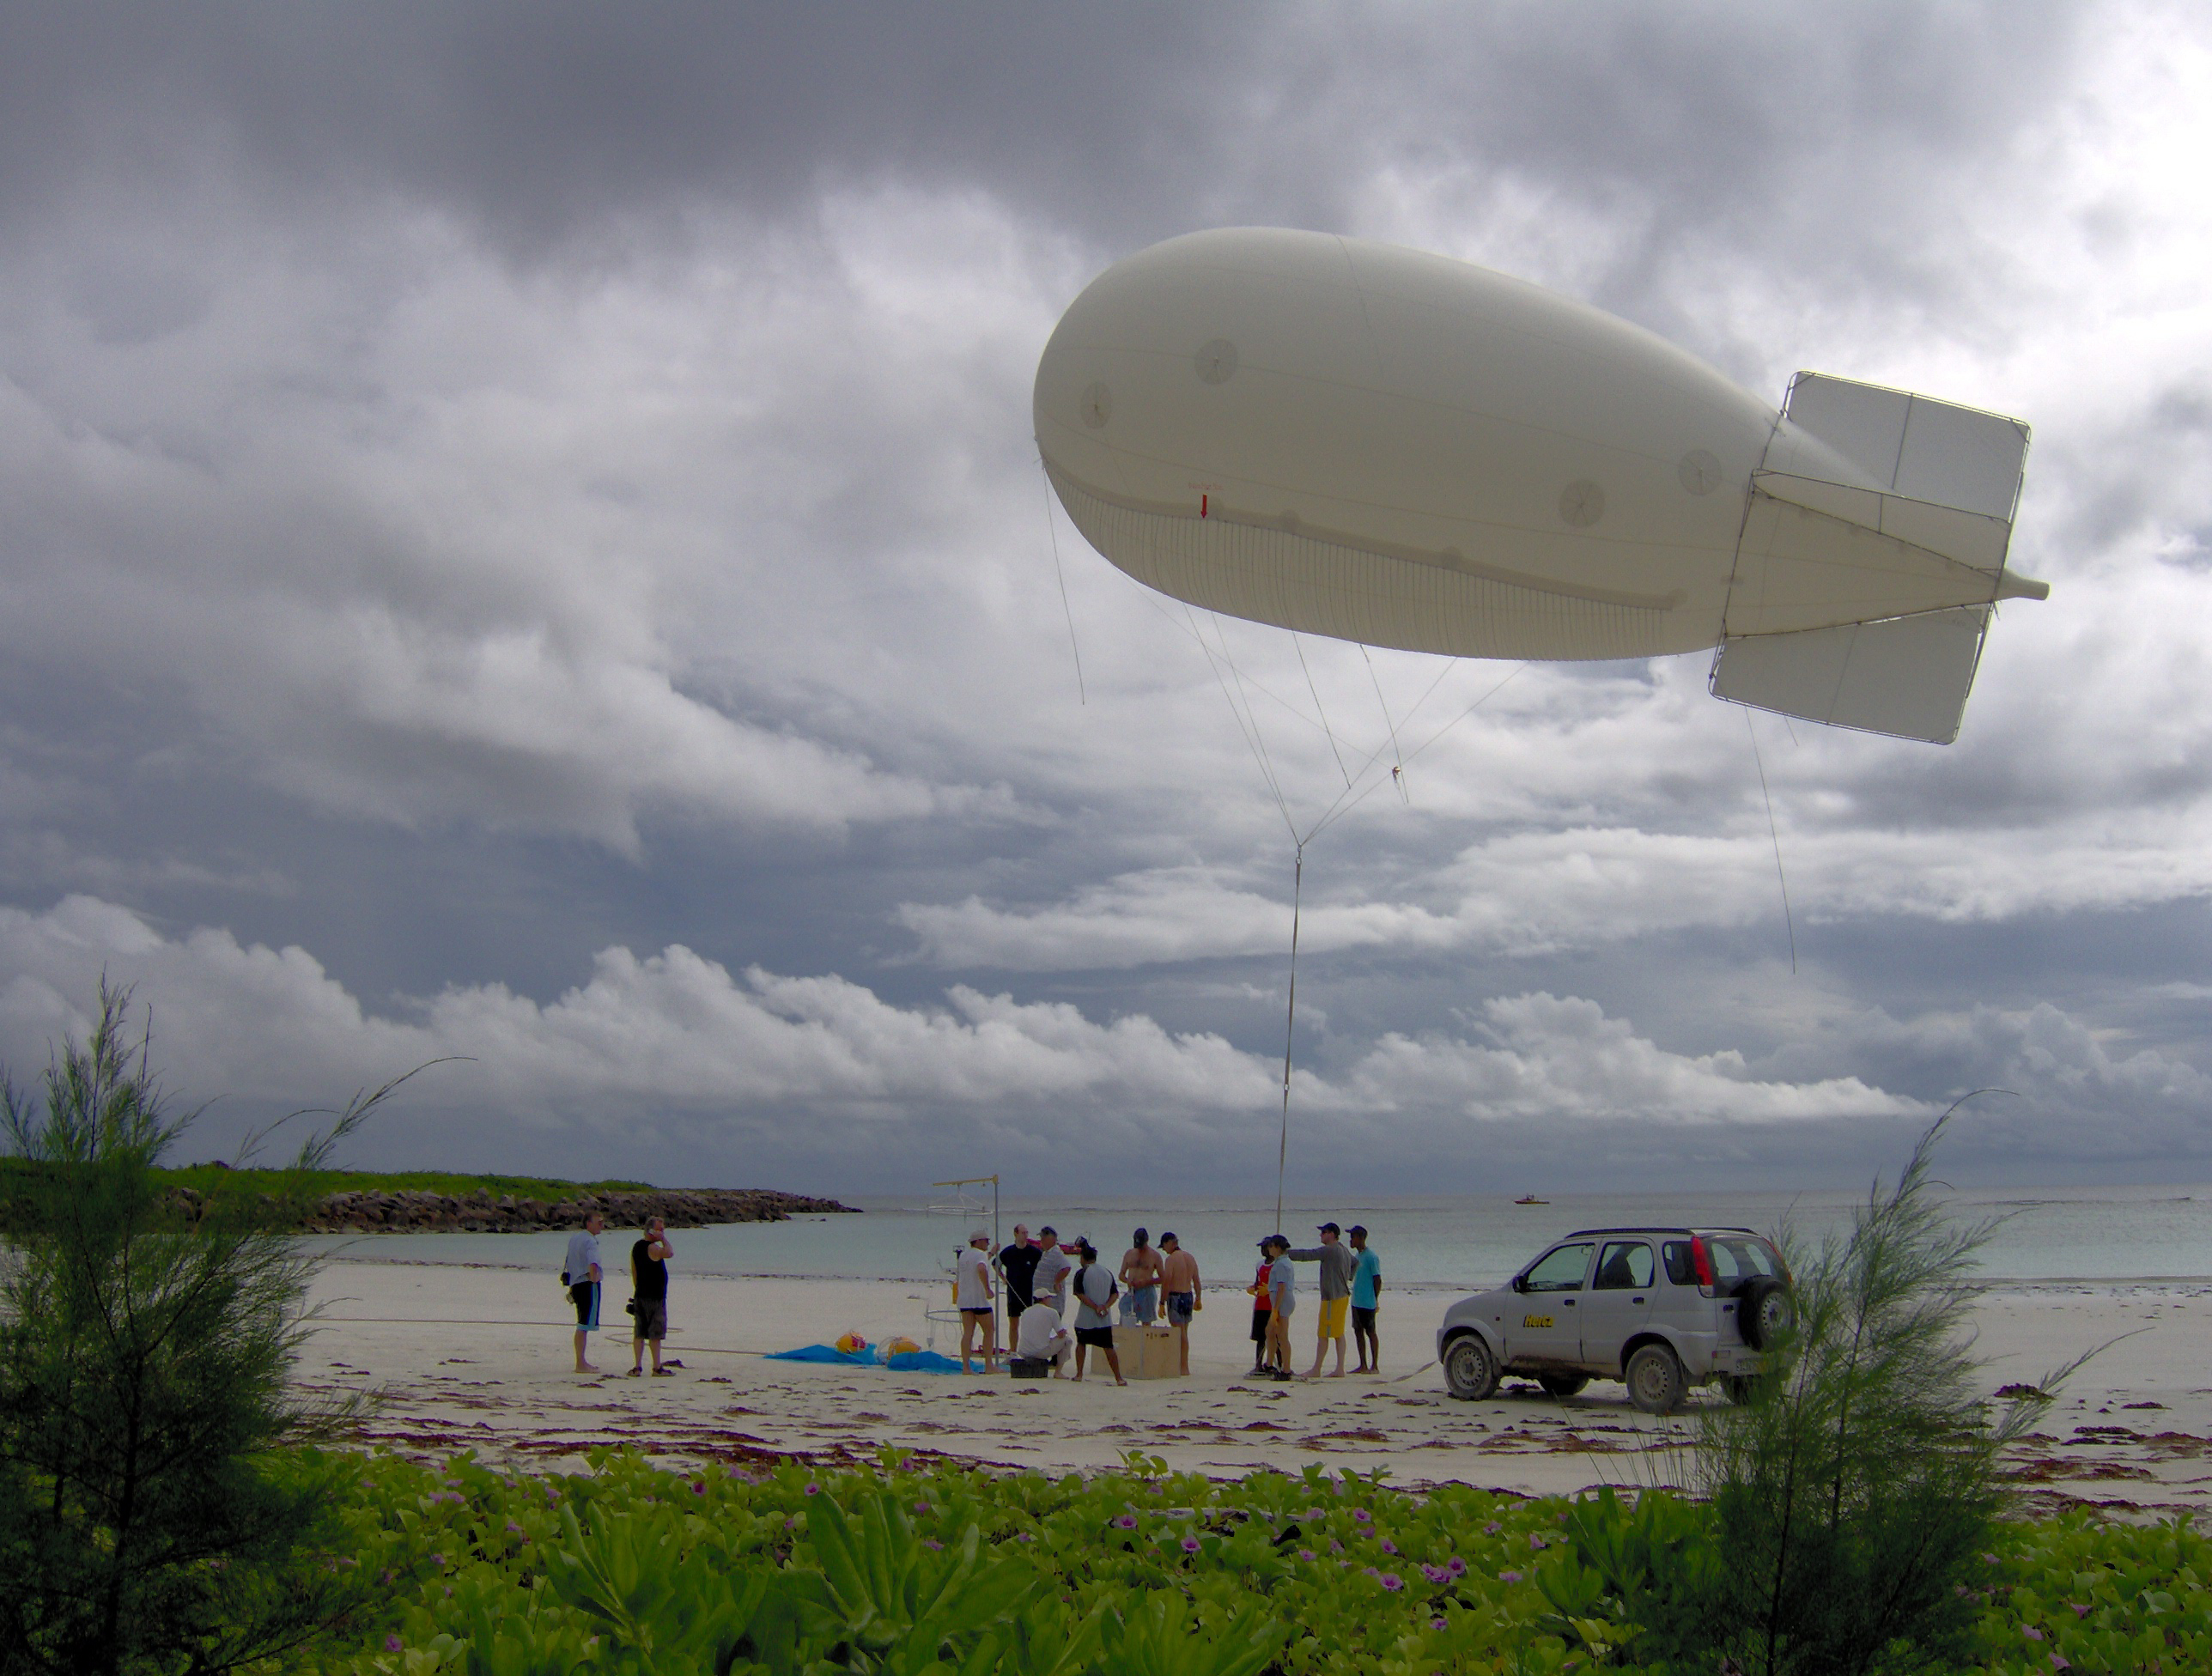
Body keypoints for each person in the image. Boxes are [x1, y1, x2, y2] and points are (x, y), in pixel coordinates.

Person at [1288, 1222, 1359, 1379]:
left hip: (1332, 1297)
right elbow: (1355, 1263)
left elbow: (1308, 1255)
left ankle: (1317, 1369)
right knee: (1339, 1334)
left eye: (1324, 1232)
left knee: (1324, 1334)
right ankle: (1339, 1368)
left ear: (1332, 1234)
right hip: (1342, 1295)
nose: (1321, 1235)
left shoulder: (1331, 1249)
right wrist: (1348, 1276)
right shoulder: (1343, 1249)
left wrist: (1286, 1253)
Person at [628, 1216, 683, 1377]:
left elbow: (634, 1272)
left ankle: (637, 1366)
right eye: (660, 1229)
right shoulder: (651, 1248)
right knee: (655, 1333)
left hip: (641, 1295)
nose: (662, 1232)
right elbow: (669, 1252)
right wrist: (663, 1239)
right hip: (654, 1297)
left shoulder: (636, 1247)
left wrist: (637, 1289)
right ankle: (657, 1367)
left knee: (639, 1332)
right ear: (651, 1231)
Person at [1071, 1242, 1125, 1384]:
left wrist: (1095, 1307)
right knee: (1108, 1347)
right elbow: (1115, 1294)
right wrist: (1105, 1306)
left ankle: (1079, 1374)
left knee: (1081, 1344)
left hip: (1085, 1318)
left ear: (1083, 1258)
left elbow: (1079, 1294)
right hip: (1103, 1319)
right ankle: (1118, 1378)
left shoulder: (1082, 1273)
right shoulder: (1107, 1272)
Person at [562, 1211, 605, 1374]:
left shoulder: (575, 1238)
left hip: (576, 1283)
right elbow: (592, 1262)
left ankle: (581, 1361)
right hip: (586, 1283)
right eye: (598, 1222)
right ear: (588, 1224)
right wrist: (594, 1279)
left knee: (582, 1323)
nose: (601, 1225)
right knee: (583, 1324)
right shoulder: (590, 1241)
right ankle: (580, 1363)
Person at [1158, 1231, 1202, 1376]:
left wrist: (1161, 1302)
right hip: (1188, 1296)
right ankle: (1182, 1364)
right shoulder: (1190, 1257)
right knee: (1184, 1332)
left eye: (1164, 1246)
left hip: (1176, 1296)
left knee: (1179, 1333)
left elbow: (1167, 1281)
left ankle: (1183, 1367)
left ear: (1170, 1243)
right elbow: (1196, 1280)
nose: (1164, 1250)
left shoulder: (1171, 1259)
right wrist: (1198, 1298)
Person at [956, 1230, 998, 1374]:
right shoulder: (980, 1255)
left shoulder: (964, 1256)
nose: (988, 1243)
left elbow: (980, 1261)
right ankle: (988, 1366)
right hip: (979, 1300)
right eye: (986, 1240)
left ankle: (966, 1367)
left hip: (965, 1299)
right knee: (989, 1331)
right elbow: (981, 1267)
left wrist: (991, 1253)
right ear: (979, 1241)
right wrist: (987, 1289)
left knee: (968, 1333)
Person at [1012, 1288, 1075, 1376]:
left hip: (1024, 1351)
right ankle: (1058, 1372)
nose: (1051, 1300)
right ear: (1045, 1299)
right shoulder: (1051, 1312)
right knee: (1067, 1341)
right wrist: (1064, 1331)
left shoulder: (1026, 1311)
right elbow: (1061, 1335)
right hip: (1039, 1352)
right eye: (1049, 1298)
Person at [997, 1224, 1042, 1347]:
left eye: (1027, 1233)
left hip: (1029, 1292)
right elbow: (996, 1264)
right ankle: (1013, 1350)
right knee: (1013, 1324)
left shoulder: (1034, 1252)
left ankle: (1030, 1349)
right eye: (1023, 1233)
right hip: (1013, 1292)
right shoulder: (1008, 1252)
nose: (1026, 1235)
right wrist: (1003, 1278)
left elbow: (1043, 1267)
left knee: (1031, 1324)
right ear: (1016, 1234)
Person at [1349, 1224, 1382, 1374]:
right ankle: (1362, 1364)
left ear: (1361, 1238)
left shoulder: (1371, 1257)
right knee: (1358, 1332)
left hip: (1367, 1302)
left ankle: (1374, 1365)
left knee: (1371, 1332)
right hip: (1356, 1301)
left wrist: (1375, 1299)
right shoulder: (1357, 1257)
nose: (1351, 1240)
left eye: (1353, 1237)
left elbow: (1377, 1279)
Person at [1261, 1235, 1295, 1381]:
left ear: (1276, 1247)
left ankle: (1286, 1369)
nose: (1268, 1249)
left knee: (1282, 1335)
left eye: (1270, 1246)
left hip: (1283, 1302)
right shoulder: (1281, 1262)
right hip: (1280, 1301)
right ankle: (1269, 1364)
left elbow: (1281, 1287)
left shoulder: (1282, 1264)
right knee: (1270, 1332)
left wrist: (1275, 1310)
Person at [1117, 1228, 1164, 1327]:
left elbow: (1163, 1278)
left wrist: (1147, 1282)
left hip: (1146, 1292)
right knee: (1125, 1315)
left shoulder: (1155, 1256)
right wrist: (1127, 1281)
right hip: (1132, 1291)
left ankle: (1144, 1341)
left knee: (1146, 1323)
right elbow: (1121, 1274)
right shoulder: (1129, 1254)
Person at [1246, 1242, 1274, 1376]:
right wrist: (1253, 1288)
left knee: (1275, 1337)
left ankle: (1277, 1364)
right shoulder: (1259, 1265)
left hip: (1272, 1305)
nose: (1262, 1251)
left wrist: (1268, 1290)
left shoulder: (1277, 1266)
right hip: (1260, 1305)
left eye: (1265, 1248)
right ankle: (1258, 1365)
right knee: (1260, 1337)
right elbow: (1258, 1282)